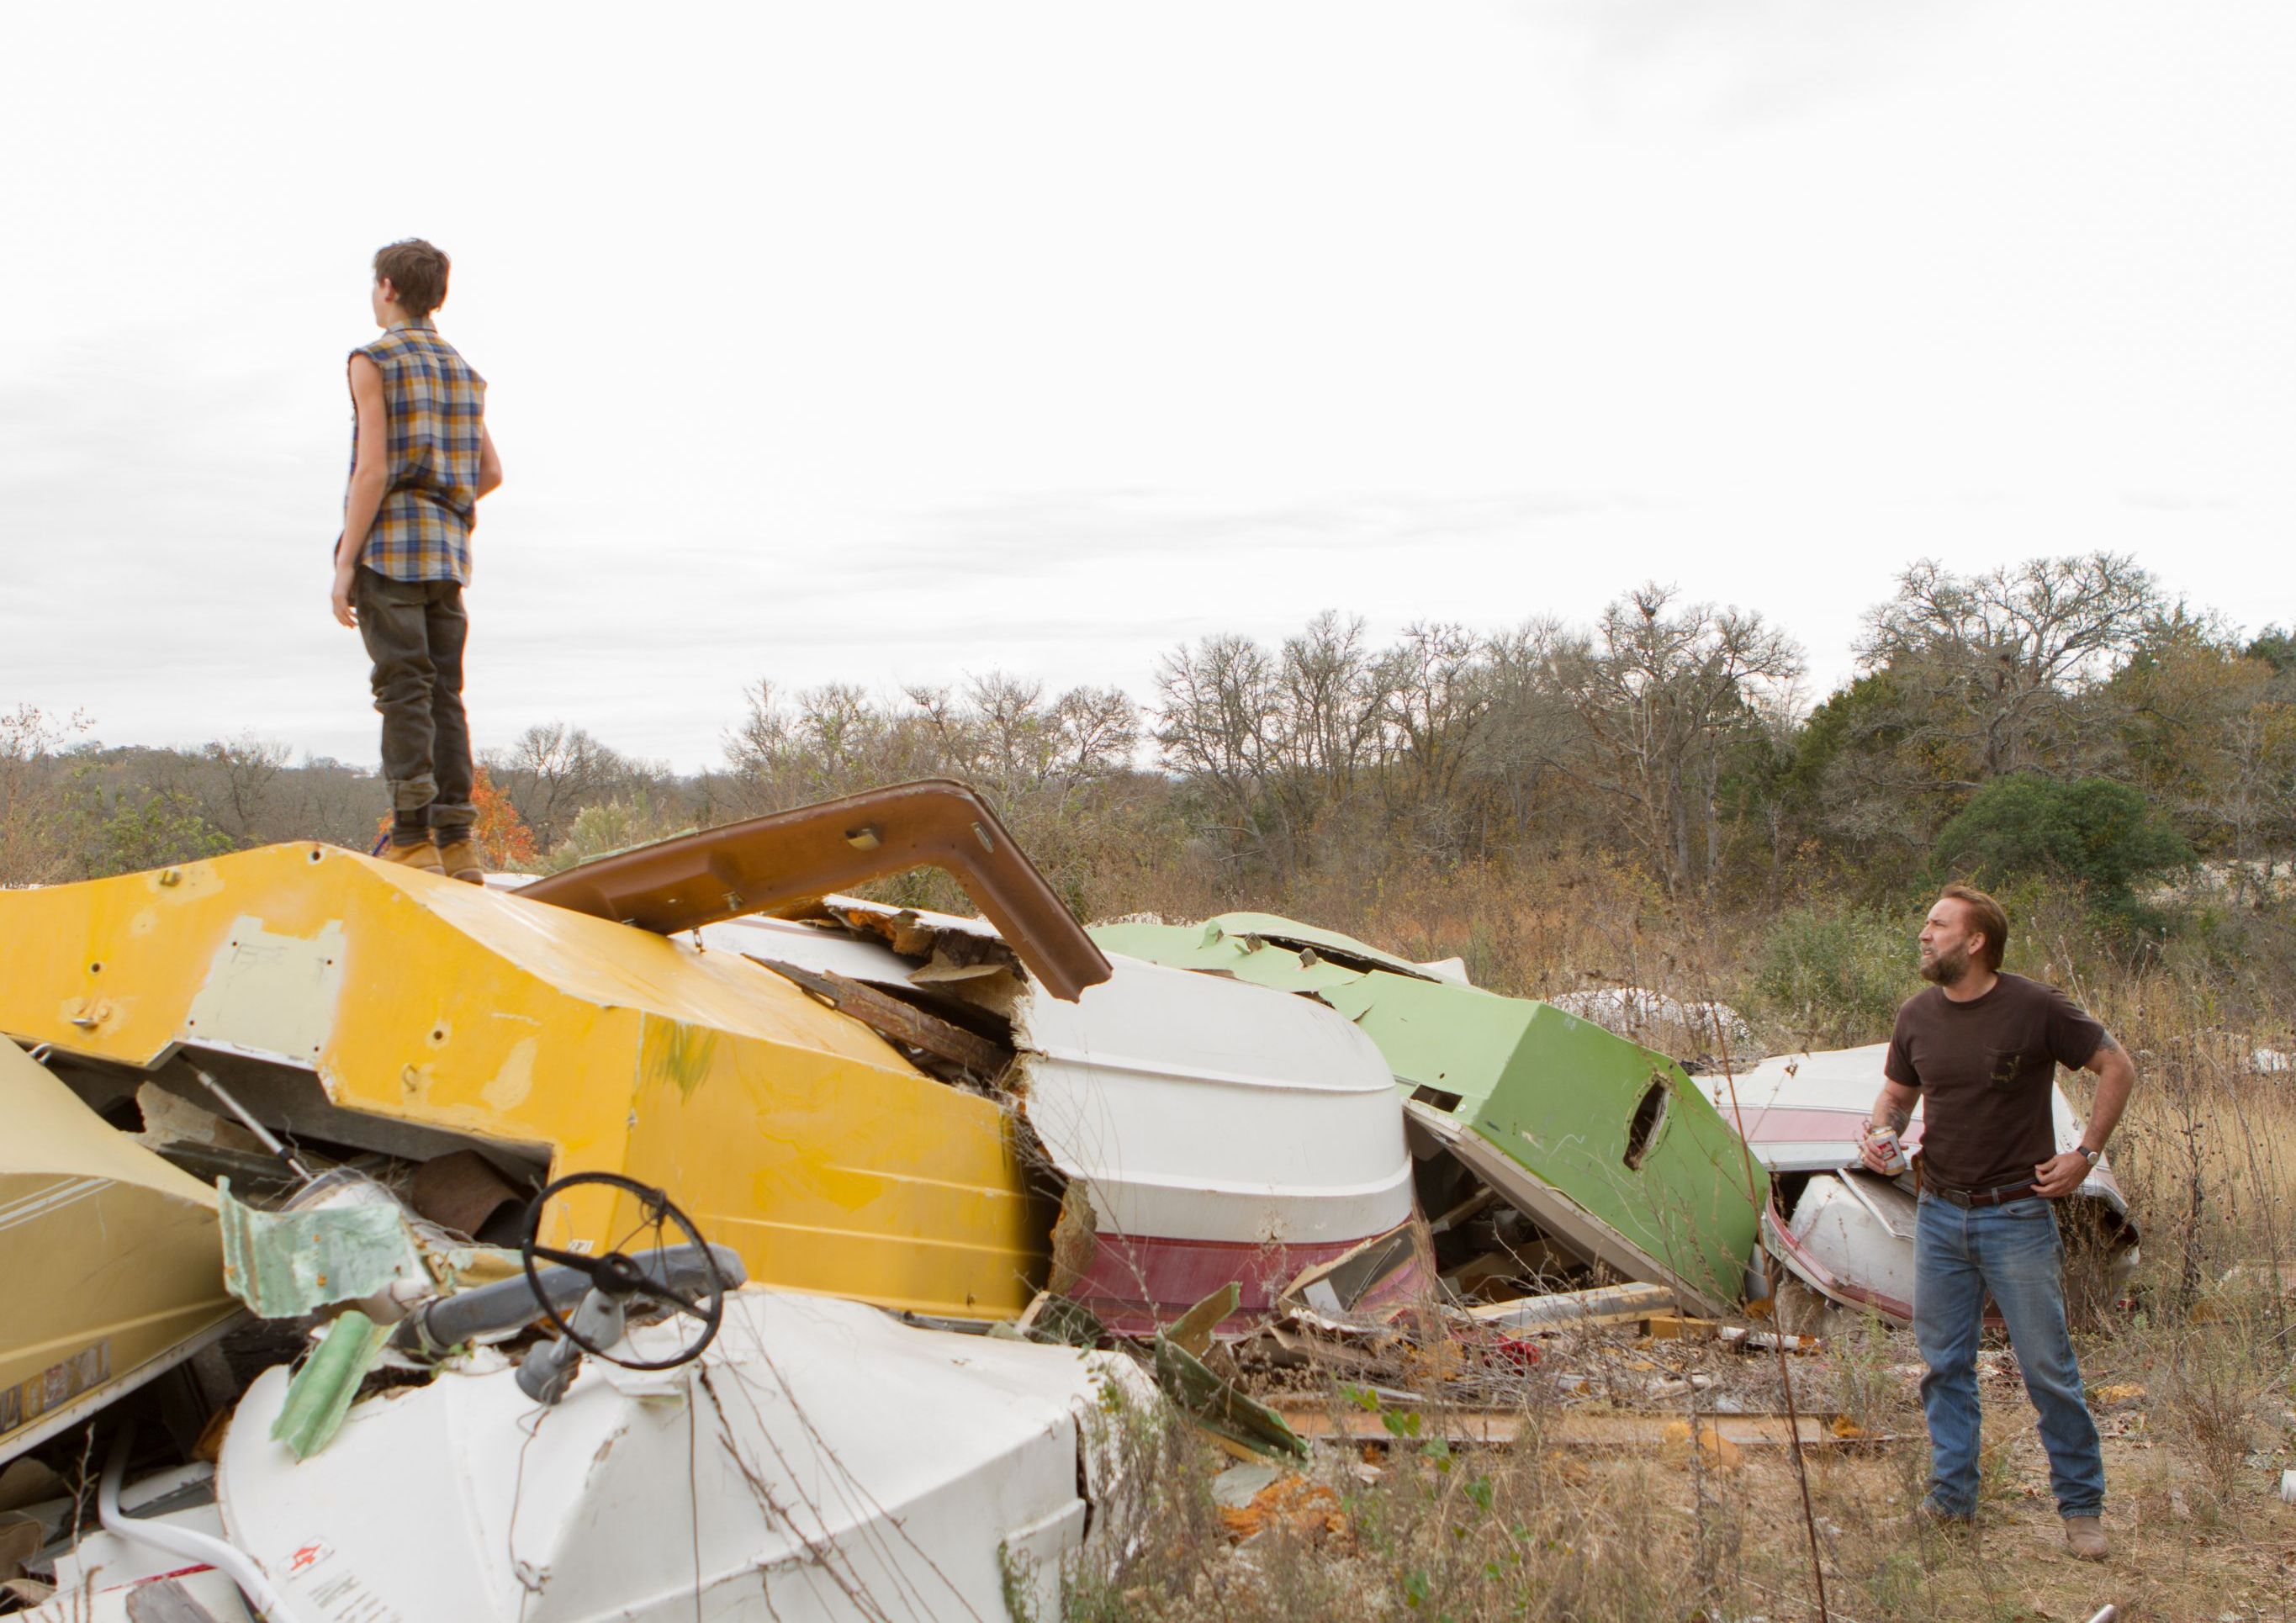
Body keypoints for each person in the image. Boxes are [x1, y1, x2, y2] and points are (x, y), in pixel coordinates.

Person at [1860, 884, 2135, 1562]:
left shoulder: (2034, 1007)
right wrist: (1878, 1131)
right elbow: (1896, 1095)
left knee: (2047, 1369)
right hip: (1939, 1214)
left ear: (1976, 941)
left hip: (2017, 1216)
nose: (1924, 935)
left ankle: (2081, 1511)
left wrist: (2084, 1155)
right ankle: (1951, 1503)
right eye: (1925, 923)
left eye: (1937, 925)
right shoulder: (1917, 1016)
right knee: (1943, 1366)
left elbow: (2117, 1066)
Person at [328, 238, 502, 881]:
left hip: (390, 552)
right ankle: (458, 842)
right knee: (445, 695)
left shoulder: (372, 359)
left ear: (390, 289)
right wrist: (444, 498)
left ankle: (411, 839)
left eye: (376, 285)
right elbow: (489, 471)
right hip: (448, 556)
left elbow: (371, 470)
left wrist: (347, 561)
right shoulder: (463, 369)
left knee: (402, 692)